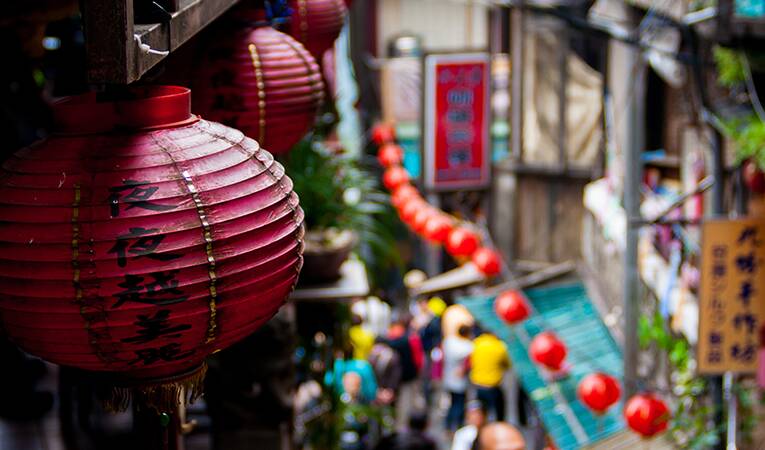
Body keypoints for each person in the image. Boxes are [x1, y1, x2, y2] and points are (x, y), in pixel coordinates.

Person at [383, 313, 424, 430]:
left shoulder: (398, 339)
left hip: (400, 375)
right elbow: (417, 358)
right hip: (405, 375)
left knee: (399, 400)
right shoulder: (409, 339)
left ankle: (396, 421)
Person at [470, 330, 509, 422]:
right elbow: (507, 365)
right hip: (493, 387)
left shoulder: (476, 343)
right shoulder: (499, 346)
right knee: (499, 415)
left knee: (481, 414)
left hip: (478, 385)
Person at [443, 324, 474, 432]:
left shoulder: (449, 342)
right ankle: (457, 426)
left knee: (452, 403)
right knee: (459, 405)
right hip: (460, 381)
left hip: (448, 378)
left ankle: (447, 425)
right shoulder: (468, 347)